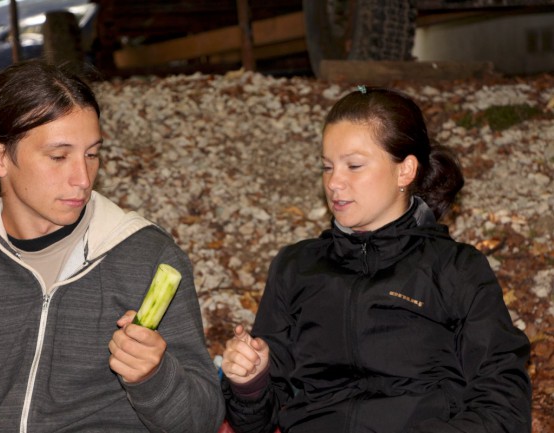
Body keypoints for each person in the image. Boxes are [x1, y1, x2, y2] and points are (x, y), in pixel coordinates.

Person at [0, 60, 224, 432]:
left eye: (92, 154)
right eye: (59, 157)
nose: (83, 179)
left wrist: (154, 377)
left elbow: (202, 420)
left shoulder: (146, 259)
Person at [221, 87, 532, 433]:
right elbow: (256, 422)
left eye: (354, 165)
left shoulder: (455, 269)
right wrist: (250, 383)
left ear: (405, 171)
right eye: (327, 166)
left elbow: (504, 404)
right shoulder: (296, 267)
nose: (334, 182)